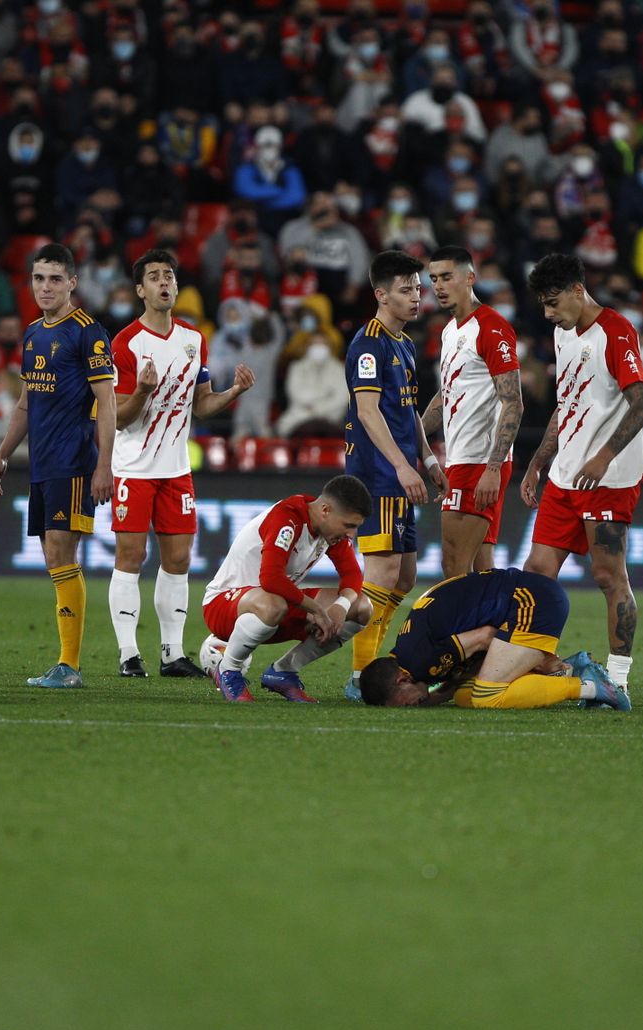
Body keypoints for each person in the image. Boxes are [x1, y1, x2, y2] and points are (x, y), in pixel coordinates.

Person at [108, 250, 256, 679]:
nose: (163, 283)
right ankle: (128, 654)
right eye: (153, 277)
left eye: (168, 276)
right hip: (133, 468)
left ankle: (172, 654)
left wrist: (232, 393)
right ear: (140, 291)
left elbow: (202, 405)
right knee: (130, 556)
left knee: (178, 560)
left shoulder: (194, 339)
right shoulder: (126, 343)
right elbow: (118, 415)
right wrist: (141, 392)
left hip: (175, 471)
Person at [0, 244, 117, 689]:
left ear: (72, 283)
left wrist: (104, 466)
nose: (45, 287)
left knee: (61, 549)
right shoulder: (32, 334)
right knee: (54, 557)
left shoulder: (88, 332)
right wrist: (3, 454)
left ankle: (70, 664)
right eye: (39, 278)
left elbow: (107, 402)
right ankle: (66, 664)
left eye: (55, 279)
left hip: (74, 462)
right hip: (40, 464)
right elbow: (25, 403)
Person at [519, 253, 643, 696]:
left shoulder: (616, 330)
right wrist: (539, 460)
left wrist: (603, 457)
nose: (549, 314)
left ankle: (618, 679)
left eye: (554, 303)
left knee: (608, 576)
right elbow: (567, 402)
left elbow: (641, 404)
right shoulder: (563, 334)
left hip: (609, 478)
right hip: (565, 472)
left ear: (578, 290)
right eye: (543, 304)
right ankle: (530, 658)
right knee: (536, 571)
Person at [343, 250, 447, 700]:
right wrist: (404, 466)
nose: (416, 297)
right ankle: (362, 674)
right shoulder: (369, 343)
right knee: (382, 574)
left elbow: (406, 415)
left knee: (403, 579)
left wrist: (428, 459)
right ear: (381, 294)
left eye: (418, 289)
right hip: (379, 476)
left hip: (403, 473)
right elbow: (368, 412)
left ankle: (369, 665)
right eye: (406, 290)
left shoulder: (403, 343)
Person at [202, 475, 375, 704]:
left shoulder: (329, 529)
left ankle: (283, 672)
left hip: (277, 609)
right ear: (325, 510)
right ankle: (229, 669)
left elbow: (352, 575)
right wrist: (317, 609)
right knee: (273, 603)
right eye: (349, 525)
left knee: (362, 606)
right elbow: (271, 579)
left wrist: (340, 608)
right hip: (223, 607)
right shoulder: (288, 518)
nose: (351, 534)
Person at [357, 568, 628, 711]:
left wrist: (539, 662)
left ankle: (591, 687)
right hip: (524, 601)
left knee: (486, 696)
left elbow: (486, 637)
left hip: (531, 602)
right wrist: (435, 697)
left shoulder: (420, 659)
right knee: (466, 696)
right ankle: (572, 667)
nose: (411, 708)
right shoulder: (409, 656)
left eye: (404, 704)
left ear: (401, 680)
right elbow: (458, 681)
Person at [422, 245, 523, 577]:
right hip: (461, 461)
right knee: (481, 569)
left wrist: (493, 468)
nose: (438, 285)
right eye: (434, 278)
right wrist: (416, 437)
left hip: (479, 462)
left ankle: (456, 631)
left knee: (453, 566)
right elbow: (448, 392)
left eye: (447, 277)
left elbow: (513, 401)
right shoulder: (451, 330)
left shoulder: (491, 327)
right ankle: (491, 630)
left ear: (469, 278)